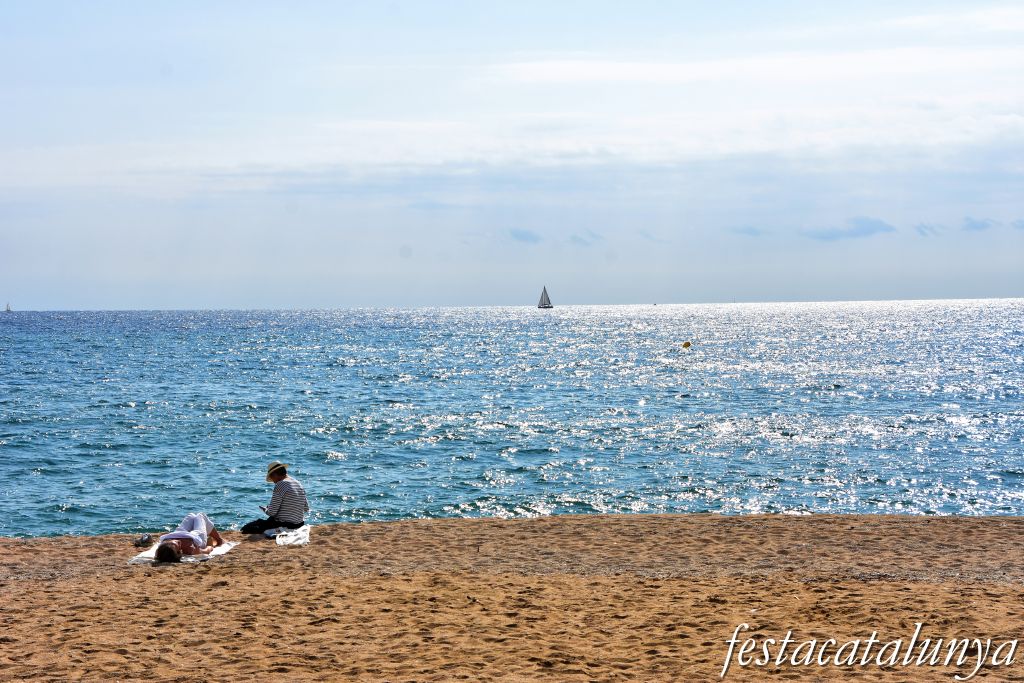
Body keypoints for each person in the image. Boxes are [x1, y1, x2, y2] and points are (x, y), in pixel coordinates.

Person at [240, 461, 309, 534]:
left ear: (275, 474)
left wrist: (266, 510)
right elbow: (306, 508)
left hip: (287, 525)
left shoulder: (280, 484)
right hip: (299, 524)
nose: (273, 481)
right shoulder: (298, 483)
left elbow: (272, 513)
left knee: (246, 528)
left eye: (271, 477)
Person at [154, 512, 226, 563]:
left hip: (179, 533)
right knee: (200, 516)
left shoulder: (163, 548)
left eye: (174, 543)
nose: (178, 542)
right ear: (179, 552)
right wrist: (209, 546)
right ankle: (219, 540)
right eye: (178, 546)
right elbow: (207, 550)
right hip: (196, 537)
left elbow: (158, 554)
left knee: (191, 515)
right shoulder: (190, 549)